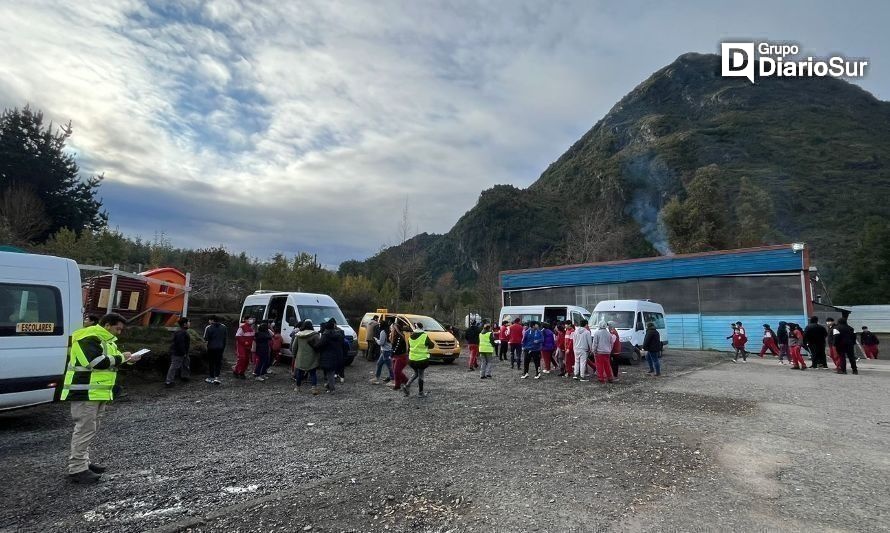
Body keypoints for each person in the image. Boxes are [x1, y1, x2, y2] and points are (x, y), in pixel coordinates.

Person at [61, 313, 142, 483]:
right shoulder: (88, 338)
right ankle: (77, 469)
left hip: (97, 392)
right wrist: (123, 357)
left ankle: (84, 462)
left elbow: (111, 361)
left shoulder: (106, 341)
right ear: (107, 325)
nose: (119, 332)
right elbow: (95, 362)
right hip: (85, 392)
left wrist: (130, 360)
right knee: (84, 430)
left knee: (89, 429)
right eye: (117, 328)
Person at [404, 321, 435, 397]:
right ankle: (420, 393)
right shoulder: (424, 336)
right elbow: (432, 345)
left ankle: (407, 385)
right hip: (422, 360)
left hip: (412, 360)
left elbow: (409, 349)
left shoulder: (410, 337)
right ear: (422, 327)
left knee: (416, 373)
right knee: (421, 375)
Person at [317, 318, 346, 392]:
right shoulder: (339, 334)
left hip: (327, 356)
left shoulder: (325, 335)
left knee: (329, 373)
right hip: (337, 355)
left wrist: (312, 344)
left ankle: (332, 388)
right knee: (332, 371)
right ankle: (328, 385)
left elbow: (320, 345)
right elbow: (343, 344)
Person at [292, 320, 321, 394]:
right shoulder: (315, 335)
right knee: (313, 373)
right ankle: (313, 388)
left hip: (301, 356)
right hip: (312, 356)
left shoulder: (298, 335)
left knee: (299, 373)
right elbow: (319, 346)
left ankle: (297, 388)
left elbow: (294, 347)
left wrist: (294, 355)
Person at [165, 317, 192, 387]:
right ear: (184, 324)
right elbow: (180, 344)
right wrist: (183, 353)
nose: (190, 323)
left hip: (183, 352)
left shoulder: (182, 331)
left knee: (185, 364)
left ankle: (185, 376)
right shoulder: (181, 332)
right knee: (174, 366)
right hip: (178, 353)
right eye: (188, 322)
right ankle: (169, 381)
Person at [203, 315, 227, 384]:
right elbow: (225, 338)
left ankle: (211, 377)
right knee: (218, 362)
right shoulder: (224, 327)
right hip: (220, 347)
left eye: (209, 320)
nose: (209, 321)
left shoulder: (208, 327)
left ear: (212, 320)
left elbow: (205, 338)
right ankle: (217, 377)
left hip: (211, 348)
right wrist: (223, 347)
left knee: (211, 362)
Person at [372, 318, 393, 384]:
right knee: (379, 363)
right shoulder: (389, 330)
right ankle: (376, 378)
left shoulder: (383, 332)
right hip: (387, 350)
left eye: (380, 324)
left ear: (382, 325)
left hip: (386, 351)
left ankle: (393, 380)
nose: (379, 325)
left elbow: (381, 343)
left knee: (390, 366)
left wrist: (376, 340)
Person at [391, 321, 410, 391]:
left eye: (392, 328)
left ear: (395, 329)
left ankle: (404, 382)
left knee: (396, 371)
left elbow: (396, 347)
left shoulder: (400, 337)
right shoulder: (394, 336)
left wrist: (392, 353)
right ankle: (400, 383)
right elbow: (394, 347)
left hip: (401, 356)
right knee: (395, 371)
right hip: (396, 356)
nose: (391, 329)